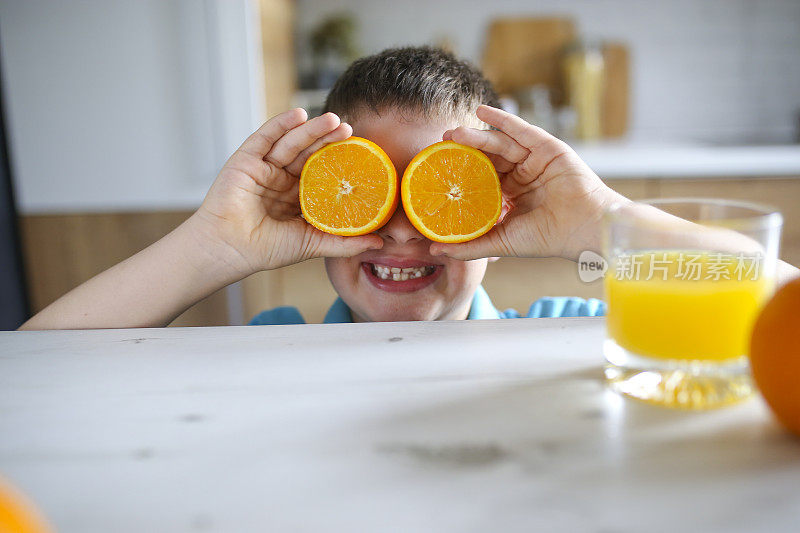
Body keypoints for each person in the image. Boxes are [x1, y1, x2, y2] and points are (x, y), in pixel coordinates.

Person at [18, 47, 797, 329]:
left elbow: (783, 307)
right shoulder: (272, 346)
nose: (400, 231)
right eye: (363, 189)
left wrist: (603, 222)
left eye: (439, 189)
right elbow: (39, 374)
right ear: (314, 197)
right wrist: (212, 242)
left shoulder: (567, 328)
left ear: (500, 199)